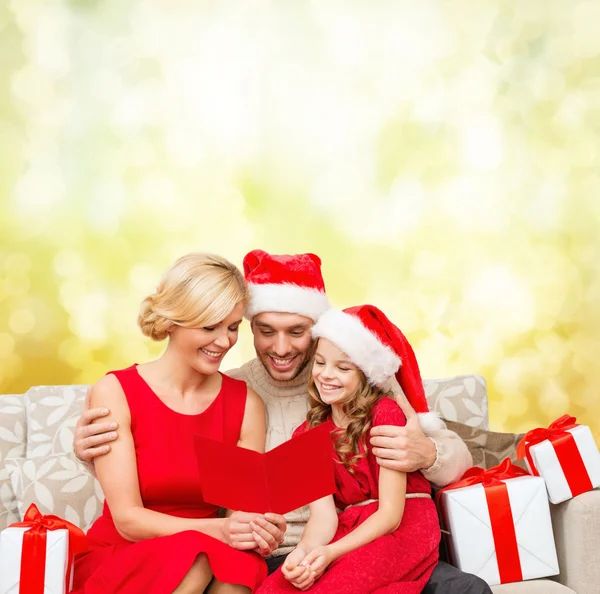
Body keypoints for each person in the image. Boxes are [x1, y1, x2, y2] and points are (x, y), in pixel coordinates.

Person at [74, 250, 491, 594]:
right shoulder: (241, 392)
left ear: (318, 329)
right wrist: (91, 453)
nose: (280, 347)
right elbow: (231, 504)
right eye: (264, 330)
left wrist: (429, 452)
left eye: (296, 332)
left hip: (360, 542)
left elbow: (457, 458)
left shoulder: (362, 381)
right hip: (282, 554)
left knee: (466, 590)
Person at [72, 254, 282, 594]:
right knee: (195, 558)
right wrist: (223, 532)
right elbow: (128, 521)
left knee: (238, 567)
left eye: (232, 327)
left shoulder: (246, 404)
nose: (224, 341)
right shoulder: (116, 392)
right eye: (209, 327)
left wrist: (256, 527)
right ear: (172, 321)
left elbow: (240, 511)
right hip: (127, 553)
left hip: (209, 548)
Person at [257, 304, 441, 593]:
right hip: (349, 527)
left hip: (403, 527)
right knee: (276, 588)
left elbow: (391, 516)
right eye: (320, 363)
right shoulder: (304, 434)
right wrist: (303, 553)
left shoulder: (385, 414)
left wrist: (331, 553)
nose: (326, 375)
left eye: (342, 367)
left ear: (365, 374)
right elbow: (323, 517)